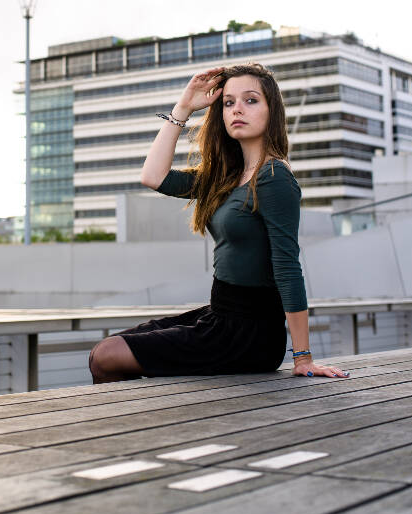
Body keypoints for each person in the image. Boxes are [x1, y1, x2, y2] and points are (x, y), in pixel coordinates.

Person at [88, 62, 350, 383]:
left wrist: (302, 356)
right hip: (219, 316)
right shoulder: (225, 177)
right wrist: (184, 106)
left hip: (249, 334)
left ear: (272, 111)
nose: (237, 109)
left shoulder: (274, 179)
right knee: (103, 352)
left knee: (108, 356)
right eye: (228, 102)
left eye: (250, 100)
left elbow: (287, 268)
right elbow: (152, 177)